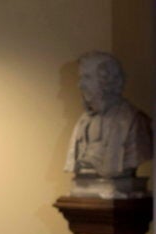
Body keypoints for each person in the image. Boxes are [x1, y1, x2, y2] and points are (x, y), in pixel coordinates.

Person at [64, 51, 152, 180]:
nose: (80, 85)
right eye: (81, 78)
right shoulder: (83, 122)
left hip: (118, 190)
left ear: (107, 80)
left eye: (87, 77)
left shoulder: (135, 120)